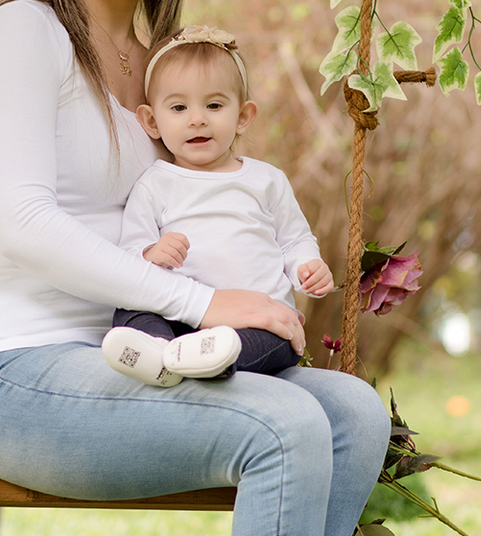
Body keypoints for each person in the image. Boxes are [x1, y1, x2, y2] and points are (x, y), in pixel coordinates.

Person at [0, 0, 390, 536]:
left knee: (354, 414)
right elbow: (23, 222)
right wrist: (205, 305)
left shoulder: (166, 75)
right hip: (12, 371)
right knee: (282, 426)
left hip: (145, 355)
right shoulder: (24, 30)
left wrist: (267, 293)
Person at [102, 25, 335, 387]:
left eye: (214, 105)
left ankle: (208, 361)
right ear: (151, 121)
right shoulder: (154, 184)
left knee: (277, 339)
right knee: (131, 309)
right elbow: (131, 256)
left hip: (258, 320)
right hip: (181, 317)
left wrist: (307, 265)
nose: (197, 119)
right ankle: (158, 350)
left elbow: (294, 239)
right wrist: (152, 253)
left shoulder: (266, 180)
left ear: (243, 116)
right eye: (179, 107)